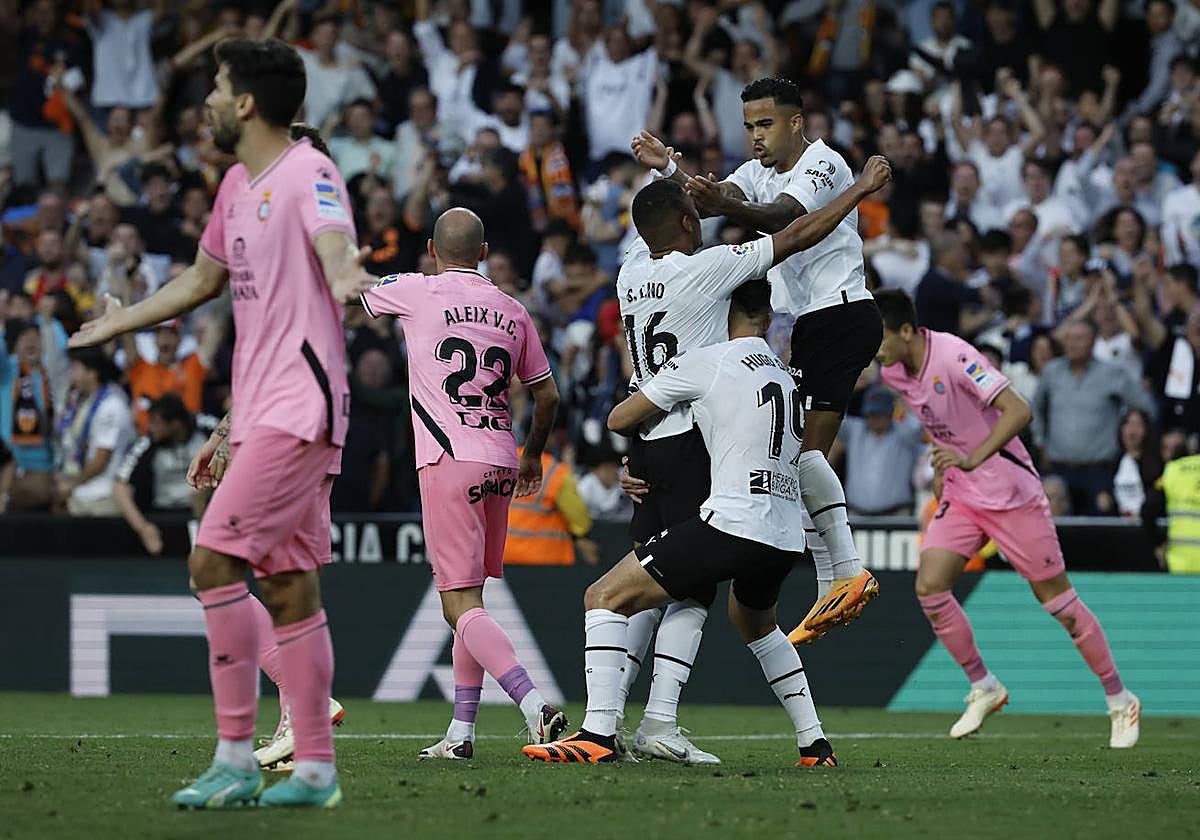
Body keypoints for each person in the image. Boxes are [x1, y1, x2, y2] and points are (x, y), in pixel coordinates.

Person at [69, 37, 376, 809]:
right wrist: (122, 321)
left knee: (212, 564)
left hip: (298, 408)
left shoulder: (311, 172)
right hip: (261, 409)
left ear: (244, 102)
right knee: (290, 588)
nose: (203, 99)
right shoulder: (237, 183)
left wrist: (345, 274)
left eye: (215, 85)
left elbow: (335, 245)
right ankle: (314, 772)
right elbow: (204, 279)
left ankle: (236, 757)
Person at [610, 157, 891, 764]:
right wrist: (862, 191)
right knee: (715, 605)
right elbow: (790, 235)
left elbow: (654, 222)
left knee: (649, 587)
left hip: (663, 441)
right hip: (746, 490)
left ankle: (613, 722)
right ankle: (670, 723)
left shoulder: (632, 274)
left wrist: (671, 169)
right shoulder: (769, 358)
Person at [524, 279, 836, 768]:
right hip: (784, 532)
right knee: (756, 624)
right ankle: (814, 744)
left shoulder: (708, 362)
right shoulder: (788, 379)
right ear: (768, 319)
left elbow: (619, 418)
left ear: (719, 310)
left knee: (604, 597)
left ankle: (599, 733)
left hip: (733, 522)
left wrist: (655, 423)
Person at [633, 75, 883, 646]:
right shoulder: (756, 172)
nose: (755, 137)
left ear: (796, 122)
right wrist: (669, 170)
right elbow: (711, 201)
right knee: (797, 452)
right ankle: (837, 575)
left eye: (765, 124)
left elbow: (781, 219)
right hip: (810, 322)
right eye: (748, 126)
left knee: (801, 451)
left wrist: (722, 197)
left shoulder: (825, 164)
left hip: (839, 312)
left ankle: (843, 572)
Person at [873, 288, 1140, 748]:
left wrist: (972, 456)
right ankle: (984, 686)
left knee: (1058, 604)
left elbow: (1019, 409)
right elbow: (940, 422)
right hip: (962, 492)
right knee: (930, 586)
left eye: (877, 337)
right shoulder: (894, 372)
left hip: (1010, 492)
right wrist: (945, 462)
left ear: (905, 331)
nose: (873, 348)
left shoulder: (955, 355)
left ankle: (1120, 698)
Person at [357, 207, 567, 761]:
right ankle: (461, 734)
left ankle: (532, 702)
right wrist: (533, 456)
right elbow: (547, 396)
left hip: (448, 456)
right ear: (482, 252)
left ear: (431, 247)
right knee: (471, 602)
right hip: (500, 456)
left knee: (457, 605)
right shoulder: (514, 310)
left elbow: (355, 294)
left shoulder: (417, 290)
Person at [1031, 320, 1157, 515]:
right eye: (1069, 338)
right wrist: (1040, 442)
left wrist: (1132, 440)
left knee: (1099, 528)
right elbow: (1035, 409)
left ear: (1093, 343)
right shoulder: (1051, 371)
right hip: (1058, 466)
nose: (1072, 344)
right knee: (1054, 526)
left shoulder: (1111, 373)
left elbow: (1146, 407)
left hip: (1099, 470)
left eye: (1079, 339)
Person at [113, 394, 205, 555]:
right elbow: (119, 486)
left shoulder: (207, 430)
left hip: (202, 515)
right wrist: (143, 528)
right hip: (162, 516)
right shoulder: (147, 443)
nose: (149, 427)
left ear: (175, 424)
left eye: (156, 423)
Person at [833, 385, 927, 516]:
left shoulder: (903, 434)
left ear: (890, 413)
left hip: (896, 514)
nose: (875, 419)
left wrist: (903, 396)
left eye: (879, 414)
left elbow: (917, 425)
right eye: (871, 414)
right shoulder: (855, 430)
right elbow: (835, 418)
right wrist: (847, 388)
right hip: (857, 514)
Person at [503, 446, 596, 566]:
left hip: (500, 558)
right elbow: (581, 523)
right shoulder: (557, 473)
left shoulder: (500, 462)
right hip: (544, 561)